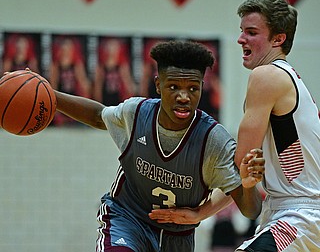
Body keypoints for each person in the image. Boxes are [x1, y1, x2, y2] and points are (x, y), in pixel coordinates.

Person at [52, 40, 265, 252]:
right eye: (173, 87)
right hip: (127, 220)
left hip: (177, 236)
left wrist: (247, 184)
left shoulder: (214, 140)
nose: (183, 97)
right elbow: (99, 115)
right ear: (157, 85)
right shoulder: (136, 113)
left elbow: (251, 209)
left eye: (193, 88)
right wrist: (52, 96)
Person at [151, 0, 320, 251]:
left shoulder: (267, 76)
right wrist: (202, 213)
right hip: (289, 213)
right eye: (242, 31)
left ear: (278, 39)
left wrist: (197, 193)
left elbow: (239, 164)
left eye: (251, 33)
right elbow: (243, 175)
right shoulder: (289, 79)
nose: (241, 39)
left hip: (301, 215)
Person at [49, 36, 91, 126]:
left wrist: (85, 107)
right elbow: (52, 88)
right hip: (60, 98)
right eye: (64, 49)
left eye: (68, 49)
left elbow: (84, 84)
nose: (66, 52)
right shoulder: (55, 66)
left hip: (73, 98)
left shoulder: (76, 64)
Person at [93, 37, 136, 106]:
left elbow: (127, 80)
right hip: (106, 96)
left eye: (114, 48)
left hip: (118, 96)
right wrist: (98, 99)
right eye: (110, 48)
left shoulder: (122, 65)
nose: (112, 50)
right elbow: (98, 84)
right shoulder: (101, 65)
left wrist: (131, 93)